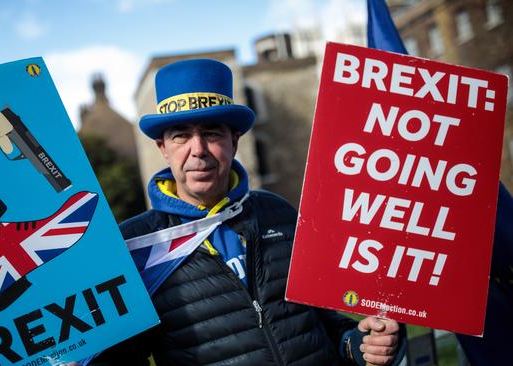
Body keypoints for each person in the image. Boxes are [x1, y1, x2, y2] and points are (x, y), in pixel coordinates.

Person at [91, 59, 407, 365]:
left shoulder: (276, 213)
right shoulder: (135, 245)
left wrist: (359, 344)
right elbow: (119, 355)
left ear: (235, 140)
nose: (198, 149)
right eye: (181, 135)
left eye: (212, 132)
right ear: (163, 148)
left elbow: (322, 321)